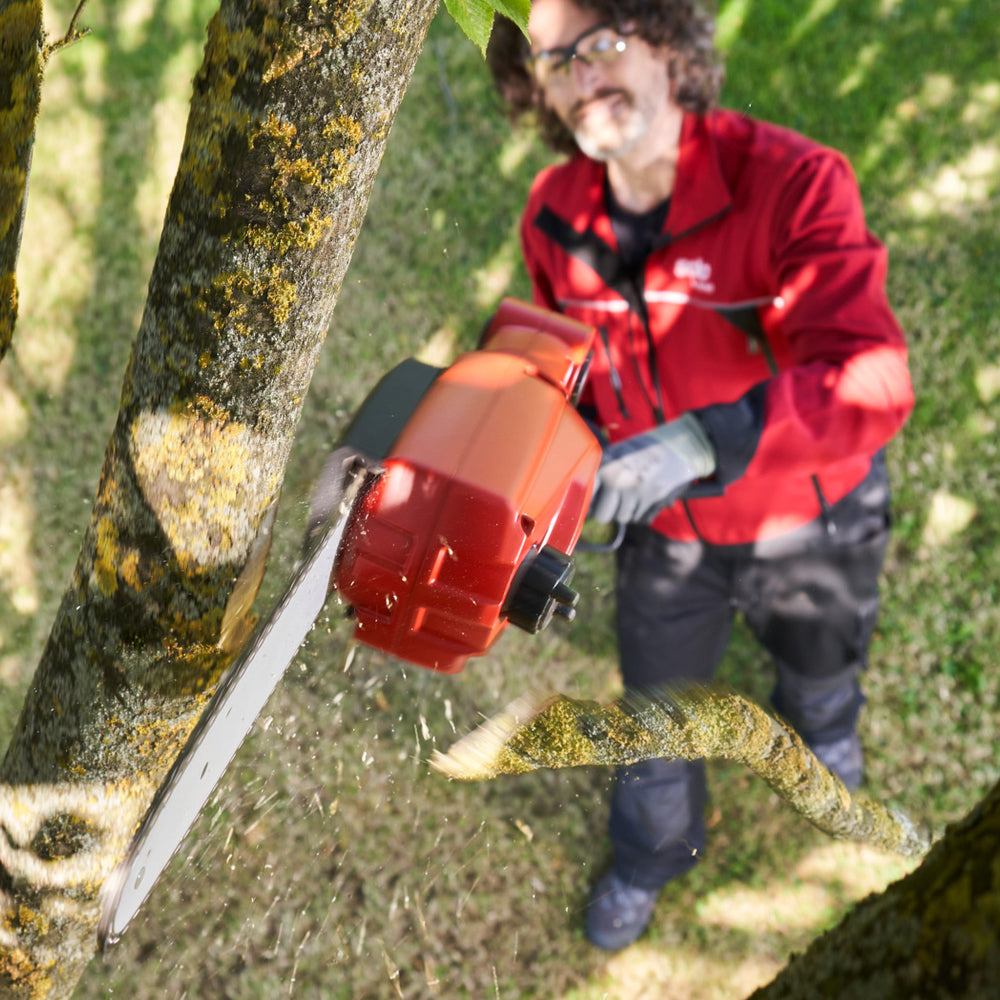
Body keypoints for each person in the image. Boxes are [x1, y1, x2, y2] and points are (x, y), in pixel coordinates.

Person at [486, 0, 914, 952]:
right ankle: (649, 859)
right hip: (668, 538)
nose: (582, 77)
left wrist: (698, 444)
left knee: (819, 657)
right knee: (656, 715)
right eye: (554, 61)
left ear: (669, 43)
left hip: (808, 517)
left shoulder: (793, 183)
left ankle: (823, 731)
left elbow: (874, 378)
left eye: (602, 43)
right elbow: (568, 374)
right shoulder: (553, 215)